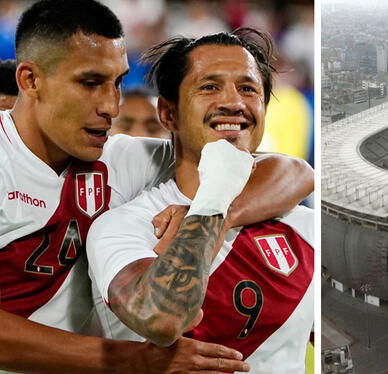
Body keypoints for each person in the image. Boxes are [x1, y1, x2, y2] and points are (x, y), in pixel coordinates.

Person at [0, 1, 312, 373]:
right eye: (90, 83)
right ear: (30, 80)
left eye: (117, 82)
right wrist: (132, 359)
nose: (112, 106)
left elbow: (291, 170)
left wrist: (216, 215)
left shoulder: (120, 158)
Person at [87, 29, 313, 373]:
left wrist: (215, 211)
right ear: (168, 114)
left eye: (248, 89)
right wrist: (215, 192)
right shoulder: (124, 226)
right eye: (209, 87)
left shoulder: (305, 227)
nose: (233, 103)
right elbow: (162, 320)